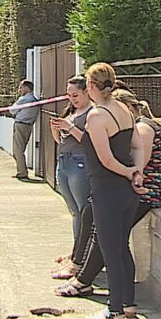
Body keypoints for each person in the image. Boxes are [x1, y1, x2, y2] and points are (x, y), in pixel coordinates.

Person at [54, 88, 161, 319]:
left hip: (140, 190)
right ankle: (124, 302)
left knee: (110, 244)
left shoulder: (142, 127)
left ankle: (108, 301)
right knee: (101, 228)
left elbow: (131, 160)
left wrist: (130, 173)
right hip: (128, 186)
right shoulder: (130, 126)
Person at [79, 63, 143, 319]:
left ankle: (114, 310)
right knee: (122, 247)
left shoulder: (96, 116)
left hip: (107, 190)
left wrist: (128, 172)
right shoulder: (124, 110)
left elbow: (105, 159)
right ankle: (128, 303)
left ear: (91, 86)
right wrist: (136, 170)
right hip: (126, 192)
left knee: (110, 250)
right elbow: (136, 144)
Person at [50, 76, 93, 254]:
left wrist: (70, 128)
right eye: (68, 95)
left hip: (79, 163)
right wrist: (56, 130)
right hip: (64, 161)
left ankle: (82, 253)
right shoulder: (71, 112)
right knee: (74, 210)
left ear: (86, 92)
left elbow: (89, 142)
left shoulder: (92, 113)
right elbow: (61, 141)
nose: (72, 99)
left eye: (75, 95)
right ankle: (77, 251)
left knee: (83, 210)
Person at [11, 79, 39, 180]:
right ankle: (21, 171)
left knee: (17, 150)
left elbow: (12, 110)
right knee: (21, 149)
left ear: (27, 88)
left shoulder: (23, 99)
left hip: (20, 125)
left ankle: (22, 172)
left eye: (21, 87)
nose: (20, 90)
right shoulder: (35, 100)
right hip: (29, 126)